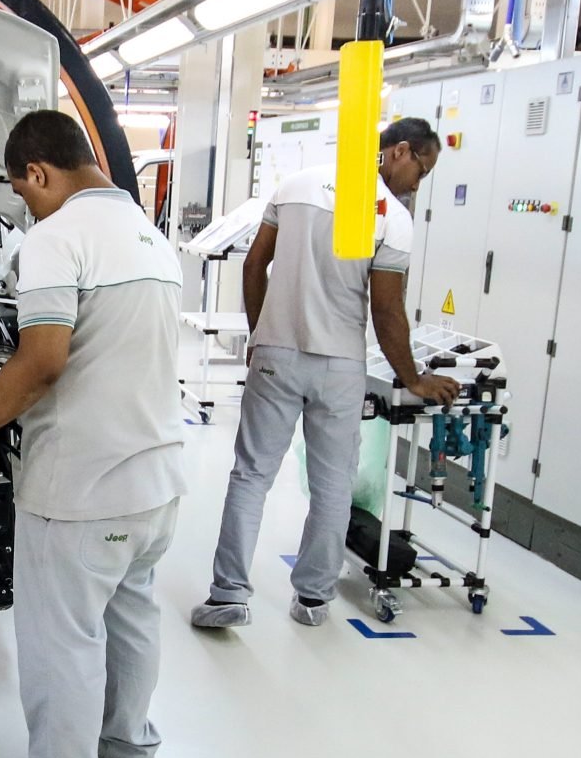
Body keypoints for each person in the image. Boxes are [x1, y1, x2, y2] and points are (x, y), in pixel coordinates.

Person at [0, 110, 183, 758]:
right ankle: (128, 750)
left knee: (61, 640)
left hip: (83, 488)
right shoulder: (153, 239)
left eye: (23, 193)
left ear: (38, 172)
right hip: (158, 479)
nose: (26, 209)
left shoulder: (57, 239)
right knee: (132, 617)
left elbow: (42, 361)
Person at [189, 117, 457, 631]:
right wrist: (414, 378)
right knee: (333, 486)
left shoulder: (295, 187)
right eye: (422, 170)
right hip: (340, 367)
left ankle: (228, 593)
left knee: (250, 476)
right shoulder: (391, 219)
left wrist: (260, 333)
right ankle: (313, 599)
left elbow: (253, 267)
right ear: (400, 151)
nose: (418, 184)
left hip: (276, 354)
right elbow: (386, 309)